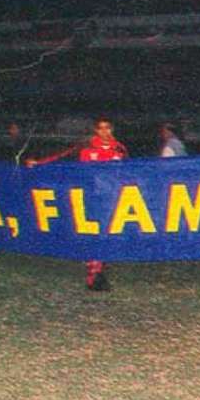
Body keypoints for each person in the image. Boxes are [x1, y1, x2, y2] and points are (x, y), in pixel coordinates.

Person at [78, 117, 128, 291]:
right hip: (93, 197)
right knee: (95, 235)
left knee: (107, 236)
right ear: (96, 131)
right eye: (101, 128)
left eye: (108, 128)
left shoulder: (120, 149)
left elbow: (127, 172)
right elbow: (73, 170)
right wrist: (37, 165)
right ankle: (93, 276)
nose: (105, 131)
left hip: (112, 198)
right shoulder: (87, 149)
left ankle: (99, 272)